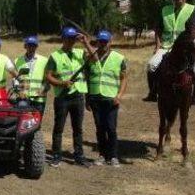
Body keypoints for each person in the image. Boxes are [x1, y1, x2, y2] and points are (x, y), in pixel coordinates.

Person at [45, 26, 94, 168]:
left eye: (74, 39)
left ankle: (79, 156)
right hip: (62, 97)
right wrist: (62, 83)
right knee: (58, 128)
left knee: (77, 128)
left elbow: (95, 58)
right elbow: (48, 76)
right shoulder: (55, 56)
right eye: (69, 39)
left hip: (78, 96)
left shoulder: (80, 52)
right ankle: (56, 156)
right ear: (63, 39)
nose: (72, 41)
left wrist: (85, 42)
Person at [143, 0, 195, 102]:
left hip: (186, 44)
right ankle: (153, 93)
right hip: (167, 44)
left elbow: (192, 30)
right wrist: (157, 46)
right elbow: (158, 29)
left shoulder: (193, 9)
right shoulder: (164, 10)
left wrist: (186, 44)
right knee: (151, 65)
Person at [85, 30, 127, 167]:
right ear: (97, 42)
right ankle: (102, 155)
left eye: (105, 41)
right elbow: (87, 78)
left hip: (111, 98)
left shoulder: (119, 58)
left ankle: (113, 156)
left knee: (111, 128)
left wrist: (119, 96)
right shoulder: (92, 57)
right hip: (95, 97)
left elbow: (124, 79)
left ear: (110, 42)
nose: (102, 44)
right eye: (100, 41)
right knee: (100, 128)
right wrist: (87, 98)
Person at [14, 35, 49, 114]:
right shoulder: (17, 61)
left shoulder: (44, 61)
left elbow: (48, 79)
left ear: (36, 47)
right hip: (22, 98)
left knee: (37, 124)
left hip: (39, 99)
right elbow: (15, 79)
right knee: (22, 123)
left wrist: (43, 88)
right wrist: (19, 92)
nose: (31, 48)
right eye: (29, 45)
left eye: (33, 46)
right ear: (25, 46)